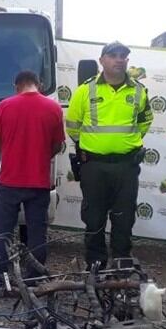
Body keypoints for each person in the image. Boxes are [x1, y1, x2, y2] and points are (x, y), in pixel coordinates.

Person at [65, 41, 154, 269]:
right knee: (94, 218)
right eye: (113, 55)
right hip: (94, 166)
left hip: (126, 166)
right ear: (102, 60)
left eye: (123, 55)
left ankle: (122, 265)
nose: (119, 59)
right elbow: (73, 126)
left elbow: (145, 121)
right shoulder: (86, 90)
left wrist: (125, 143)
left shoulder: (138, 90)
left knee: (124, 219)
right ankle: (95, 265)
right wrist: (90, 145)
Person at [0, 70, 65, 269]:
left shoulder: (4, 106)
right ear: (39, 84)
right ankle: (35, 276)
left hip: (9, 180)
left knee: (3, 231)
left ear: (16, 86)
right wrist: (40, 157)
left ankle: (3, 275)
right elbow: (57, 145)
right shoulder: (53, 108)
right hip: (38, 182)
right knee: (36, 232)